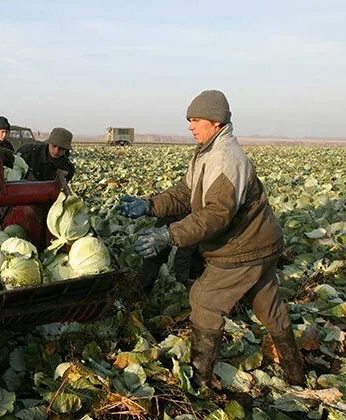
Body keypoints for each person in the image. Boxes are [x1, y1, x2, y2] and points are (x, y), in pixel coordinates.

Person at [117, 90, 305, 387]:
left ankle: (199, 382)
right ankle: (297, 376)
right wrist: (150, 205)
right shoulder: (207, 151)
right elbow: (184, 194)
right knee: (268, 307)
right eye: (189, 120)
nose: (190, 126)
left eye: (195, 120)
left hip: (244, 246)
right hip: (262, 243)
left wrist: (169, 234)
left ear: (215, 122)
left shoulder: (225, 158)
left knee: (204, 300)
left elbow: (216, 215)